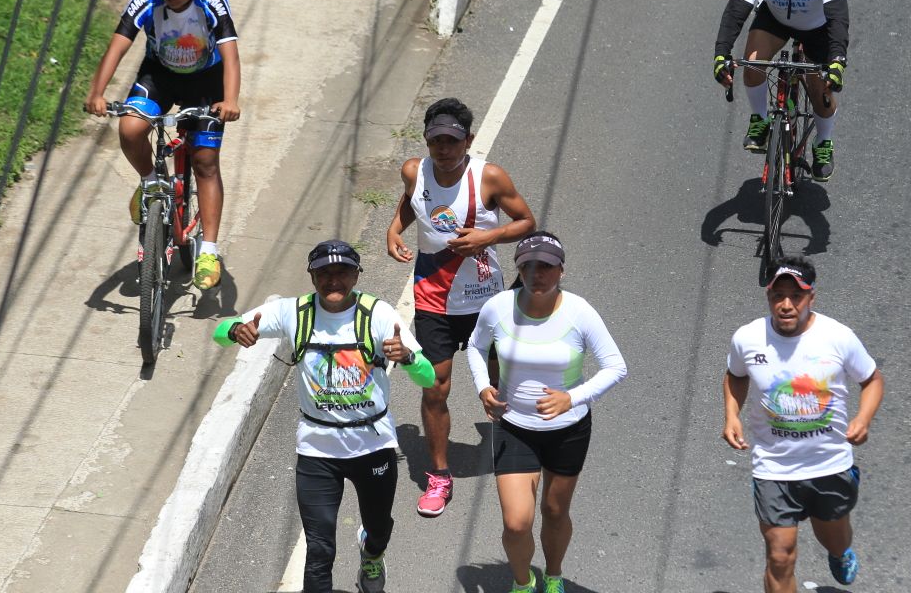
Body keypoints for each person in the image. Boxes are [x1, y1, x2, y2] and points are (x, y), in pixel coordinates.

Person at [212, 240, 435, 593]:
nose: (334, 281)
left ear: (357, 275)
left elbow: (429, 377)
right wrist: (235, 331)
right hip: (317, 450)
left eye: (342, 272)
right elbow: (220, 332)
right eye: (324, 273)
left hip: (372, 445)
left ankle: (372, 556)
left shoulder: (378, 314)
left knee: (379, 529)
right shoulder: (294, 312)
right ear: (312, 277)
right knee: (319, 550)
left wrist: (408, 358)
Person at [386, 97, 535, 517]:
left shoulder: (488, 178)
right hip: (432, 299)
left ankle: (512, 444)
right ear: (427, 141)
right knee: (435, 387)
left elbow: (527, 221)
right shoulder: (414, 170)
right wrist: (394, 229)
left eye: (452, 141)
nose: (444, 150)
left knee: (497, 378)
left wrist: (487, 238)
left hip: (485, 301)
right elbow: (410, 202)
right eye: (437, 142)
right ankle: (439, 476)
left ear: (468, 140)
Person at [467, 232, 627, 593]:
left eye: (547, 267)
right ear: (519, 270)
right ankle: (523, 583)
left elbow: (616, 366)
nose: (537, 274)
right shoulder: (498, 308)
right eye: (529, 266)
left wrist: (572, 398)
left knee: (555, 512)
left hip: (568, 429)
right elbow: (475, 348)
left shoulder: (579, 312)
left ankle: (553, 575)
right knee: (516, 523)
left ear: (561, 271)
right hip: (514, 426)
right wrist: (483, 388)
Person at [85, 0, 241, 290]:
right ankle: (151, 181)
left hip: (206, 83)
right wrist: (97, 92)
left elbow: (231, 55)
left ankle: (209, 252)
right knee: (129, 130)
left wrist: (230, 99)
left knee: (205, 162)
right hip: (159, 77)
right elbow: (118, 45)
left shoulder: (211, 1)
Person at [722, 256, 884, 593]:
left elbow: (871, 380)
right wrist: (731, 415)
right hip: (774, 468)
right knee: (780, 557)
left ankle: (839, 553)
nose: (785, 304)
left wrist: (863, 419)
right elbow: (735, 376)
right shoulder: (748, 338)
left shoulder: (838, 337)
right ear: (768, 296)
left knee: (835, 539)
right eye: (777, 295)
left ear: (811, 298)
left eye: (795, 296)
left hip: (829, 463)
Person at [712, 0, 849, 182]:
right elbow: (734, 15)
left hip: (816, 27)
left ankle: (823, 142)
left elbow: (838, 20)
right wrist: (721, 56)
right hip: (775, 19)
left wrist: (837, 62)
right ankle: (761, 119)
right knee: (752, 64)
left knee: (821, 89)